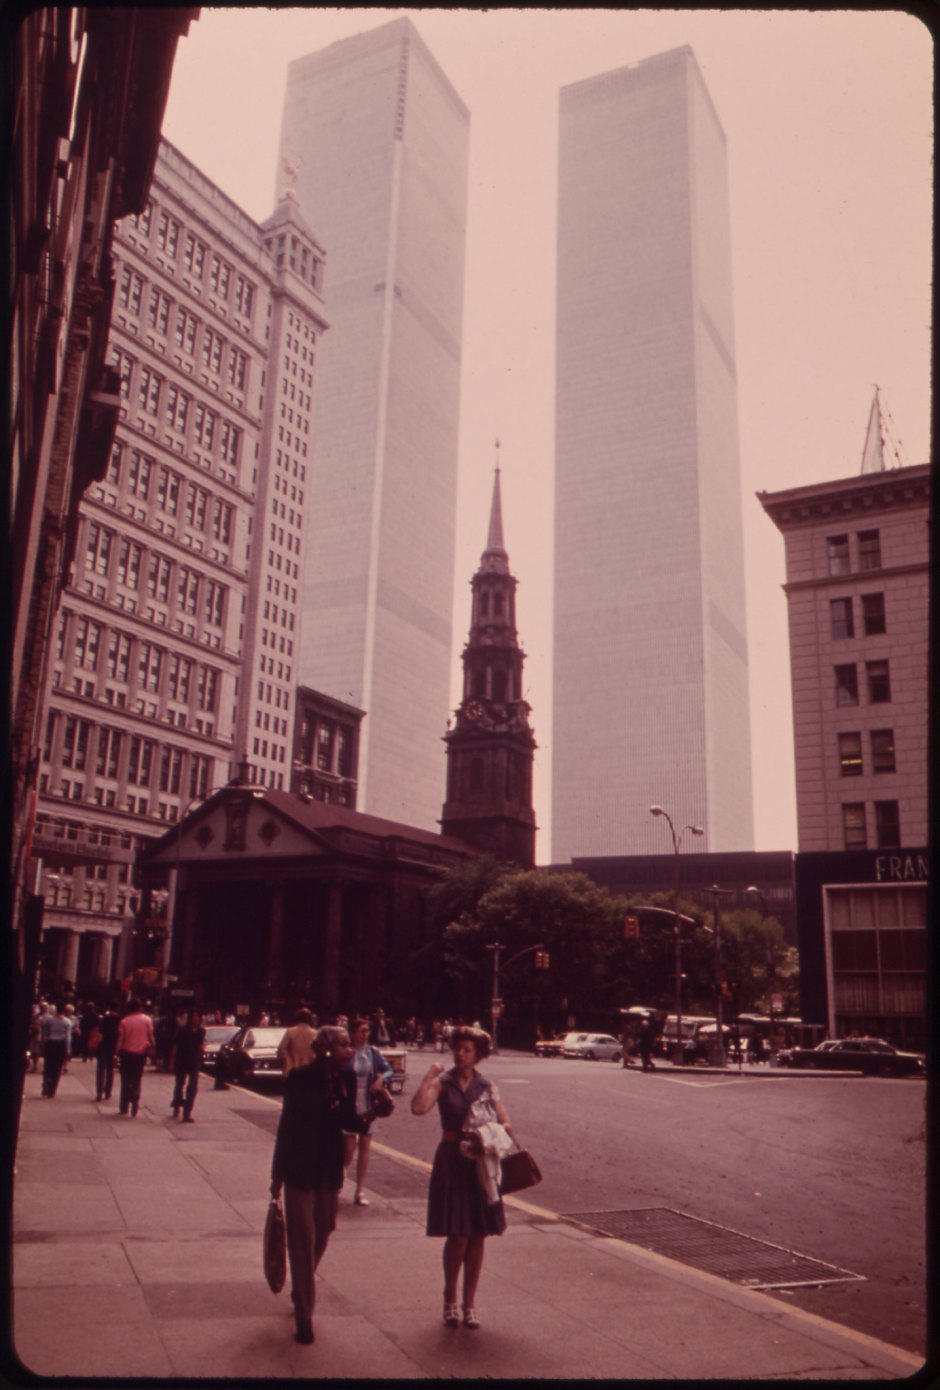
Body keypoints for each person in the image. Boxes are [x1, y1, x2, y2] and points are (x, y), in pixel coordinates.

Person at [270, 1025, 378, 1345]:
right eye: (345, 1045)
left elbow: (349, 1122)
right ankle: (305, 1311)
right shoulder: (300, 1079)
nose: (350, 1050)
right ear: (328, 1048)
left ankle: (300, 1286)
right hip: (299, 1169)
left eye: (350, 1045)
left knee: (325, 1228)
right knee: (301, 1239)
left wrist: (373, 1112)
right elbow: (286, 1126)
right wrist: (277, 1175)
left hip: (328, 1170)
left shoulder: (344, 1080)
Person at [410, 1025, 511, 1331]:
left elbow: (506, 1122)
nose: (461, 1054)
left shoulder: (486, 1085)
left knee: (478, 1233)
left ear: (478, 1055)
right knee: (458, 1234)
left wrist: (492, 1132)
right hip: (453, 1159)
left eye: (467, 1050)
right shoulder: (444, 1081)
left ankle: (470, 1303)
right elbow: (418, 1108)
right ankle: (450, 1297)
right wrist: (428, 1076)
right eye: (458, 1049)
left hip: (480, 1163)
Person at [343, 1015, 394, 1206]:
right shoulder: (346, 1052)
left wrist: (382, 1080)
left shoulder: (372, 1052)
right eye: (362, 1031)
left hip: (367, 1102)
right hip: (350, 1103)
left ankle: (359, 1190)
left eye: (367, 1031)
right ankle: (339, 1180)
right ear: (353, 1033)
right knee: (348, 1149)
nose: (366, 1035)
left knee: (365, 1146)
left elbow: (389, 1069)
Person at [116, 998, 155, 1117]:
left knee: (125, 1080)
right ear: (139, 1008)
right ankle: (135, 1098)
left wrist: (116, 1053)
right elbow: (151, 1037)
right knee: (137, 1078)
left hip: (126, 1054)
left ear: (129, 1009)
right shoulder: (147, 1020)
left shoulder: (124, 1021)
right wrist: (153, 1048)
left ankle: (124, 1106)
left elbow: (120, 1040)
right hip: (140, 1055)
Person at [170, 1009, 206, 1121]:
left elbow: (201, 1045)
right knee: (179, 1084)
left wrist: (202, 1051)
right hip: (182, 1060)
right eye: (193, 1016)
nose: (195, 1018)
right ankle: (177, 1103)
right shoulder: (182, 1030)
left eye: (197, 1016)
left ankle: (187, 1112)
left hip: (194, 1061)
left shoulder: (201, 1031)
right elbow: (175, 1046)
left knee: (193, 1087)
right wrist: (171, 1061)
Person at [40, 1003, 71, 1097]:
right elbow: (68, 1037)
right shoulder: (67, 1021)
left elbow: (45, 1033)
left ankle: (46, 1083)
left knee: (48, 1066)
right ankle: (52, 1090)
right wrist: (68, 1048)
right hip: (61, 1045)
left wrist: (44, 1041)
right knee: (57, 1068)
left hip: (50, 1043)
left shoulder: (49, 1020)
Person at [277, 1008, 318, 1075]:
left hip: (293, 1071)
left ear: (297, 1018)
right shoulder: (315, 1033)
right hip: (311, 1072)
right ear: (309, 1019)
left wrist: (288, 1063)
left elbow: (281, 1050)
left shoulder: (290, 1032)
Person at [95, 1004, 120, 1102]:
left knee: (101, 1070)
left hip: (103, 1046)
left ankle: (99, 1092)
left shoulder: (105, 1019)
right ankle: (108, 1092)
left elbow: (101, 1034)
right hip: (113, 1047)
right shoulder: (120, 1020)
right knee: (110, 1070)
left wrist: (96, 1045)